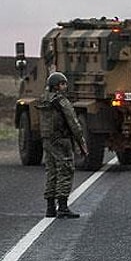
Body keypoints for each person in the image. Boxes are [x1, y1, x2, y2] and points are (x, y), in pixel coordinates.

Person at [37, 71, 87, 218]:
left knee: (51, 171)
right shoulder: (61, 101)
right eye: (62, 84)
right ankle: (63, 207)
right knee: (65, 170)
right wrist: (81, 142)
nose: (65, 86)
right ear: (56, 86)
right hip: (61, 140)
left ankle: (50, 207)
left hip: (47, 140)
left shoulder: (44, 100)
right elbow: (73, 123)